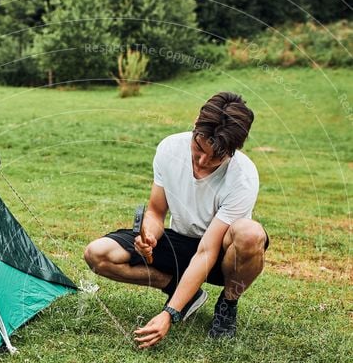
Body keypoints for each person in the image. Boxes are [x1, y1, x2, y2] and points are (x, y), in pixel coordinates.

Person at [84, 91, 269, 347]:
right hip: (179, 243)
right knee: (97, 254)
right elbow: (156, 211)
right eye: (199, 148)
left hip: (220, 256)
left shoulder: (243, 175)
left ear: (233, 151)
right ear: (195, 126)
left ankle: (227, 304)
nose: (203, 161)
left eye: (216, 158)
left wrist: (170, 313)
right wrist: (149, 234)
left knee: (250, 234)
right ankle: (182, 292)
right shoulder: (169, 148)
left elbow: (206, 251)